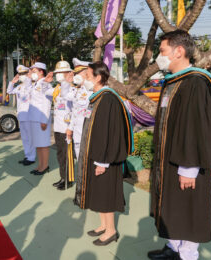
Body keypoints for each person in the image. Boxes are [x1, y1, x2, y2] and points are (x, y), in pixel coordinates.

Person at [147, 30, 211, 260]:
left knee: (187, 209)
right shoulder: (173, 82)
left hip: (186, 163)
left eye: (162, 51)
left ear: (179, 51)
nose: (159, 57)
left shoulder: (195, 83)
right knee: (173, 206)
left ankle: (187, 254)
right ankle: (173, 247)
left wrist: (189, 168)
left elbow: (196, 127)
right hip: (169, 158)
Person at [74, 61, 134, 246]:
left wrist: (102, 162)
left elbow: (110, 133)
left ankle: (111, 231)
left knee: (106, 195)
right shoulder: (97, 97)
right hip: (97, 156)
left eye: (87, 76)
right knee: (99, 194)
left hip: (105, 159)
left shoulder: (108, 99)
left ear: (98, 77)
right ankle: (103, 225)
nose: (84, 80)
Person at [45, 60, 74, 190]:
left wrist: (66, 82)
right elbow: (44, 92)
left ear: (68, 73)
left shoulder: (71, 88)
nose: (58, 75)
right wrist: (47, 81)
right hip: (58, 127)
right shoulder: (56, 88)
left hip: (67, 127)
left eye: (60, 73)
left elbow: (68, 100)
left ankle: (69, 180)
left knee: (67, 155)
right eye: (57, 73)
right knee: (60, 154)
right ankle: (63, 177)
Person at [63, 58, 93, 159]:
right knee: (80, 159)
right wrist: (70, 128)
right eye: (75, 74)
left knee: (88, 159)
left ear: (87, 74)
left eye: (78, 73)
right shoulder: (76, 90)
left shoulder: (92, 91)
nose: (75, 76)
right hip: (77, 132)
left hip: (88, 132)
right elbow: (66, 97)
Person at [7, 65, 36, 166]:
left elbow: (29, 85)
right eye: (20, 74)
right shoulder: (19, 87)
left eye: (23, 74)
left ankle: (32, 157)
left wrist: (29, 77)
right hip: (21, 115)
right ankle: (27, 155)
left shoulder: (31, 86)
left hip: (29, 115)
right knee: (24, 137)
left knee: (30, 137)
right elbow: (9, 91)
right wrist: (12, 82)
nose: (21, 76)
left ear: (28, 74)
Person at [28, 62, 52, 175]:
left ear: (41, 71)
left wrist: (44, 119)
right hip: (34, 118)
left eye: (34, 71)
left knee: (43, 144)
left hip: (41, 118)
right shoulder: (35, 84)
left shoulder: (45, 84)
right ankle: (40, 165)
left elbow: (47, 102)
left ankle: (45, 166)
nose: (32, 73)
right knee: (38, 143)